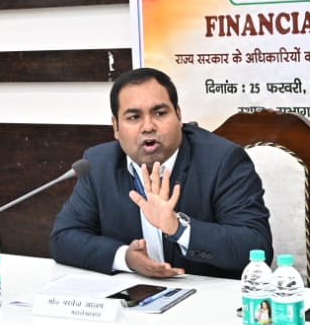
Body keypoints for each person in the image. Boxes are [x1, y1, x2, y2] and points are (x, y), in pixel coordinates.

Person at [50, 67, 271, 279]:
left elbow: (256, 247)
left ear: (178, 115)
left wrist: (179, 228)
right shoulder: (99, 164)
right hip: (134, 295)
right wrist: (126, 258)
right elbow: (63, 238)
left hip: (210, 297)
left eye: (159, 113)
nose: (148, 126)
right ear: (116, 127)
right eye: (134, 117)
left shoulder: (223, 160)